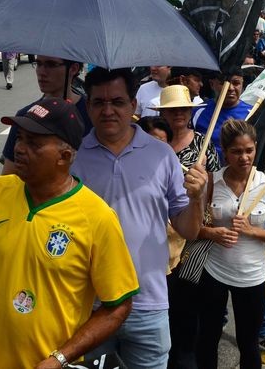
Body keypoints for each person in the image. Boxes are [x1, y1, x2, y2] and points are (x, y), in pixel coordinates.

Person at [0, 98, 139, 369]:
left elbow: (119, 305)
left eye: (34, 143)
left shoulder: (97, 217)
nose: (19, 149)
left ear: (64, 156)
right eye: (20, 138)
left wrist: (59, 358)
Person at [71, 68, 208, 368]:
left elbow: (188, 228)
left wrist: (197, 198)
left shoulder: (162, 155)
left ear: (133, 105)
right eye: (99, 102)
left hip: (149, 306)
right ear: (88, 105)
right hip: (90, 308)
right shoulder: (73, 157)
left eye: (118, 101)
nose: (108, 110)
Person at [195, 120, 265, 369]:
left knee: (248, 343)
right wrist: (212, 233)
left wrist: (253, 231)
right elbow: (193, 229)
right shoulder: (212, 182)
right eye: (236, 151)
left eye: (249, 150)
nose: (244, 157)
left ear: (256, 148)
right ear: (224, 152)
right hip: (213, 273)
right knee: (207, 339)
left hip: (252, 278)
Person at [151, 85, 220, 369]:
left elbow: (211, 195)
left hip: (190, 241)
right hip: (158, 242)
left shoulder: (203, 147)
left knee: (186, 310)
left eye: (183, 109)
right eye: (172, 109)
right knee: (160, 309)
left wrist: (199, 209)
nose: (178, 114)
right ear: (163, 113)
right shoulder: (153, 146)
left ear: (190, 112)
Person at [1, 55, 92, 175]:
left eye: (51, 64)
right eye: (38, 64)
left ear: (73, 69)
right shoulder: (25, 116)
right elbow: (9, 177)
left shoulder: (93, 113)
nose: (41, 72)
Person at [192, 71, 265, 164]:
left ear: (242, 84)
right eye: (223, 83)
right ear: (212, 84)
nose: (230, 88)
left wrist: (246, 149)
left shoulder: (254, 114)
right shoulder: (196, 112)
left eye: (236, 83)